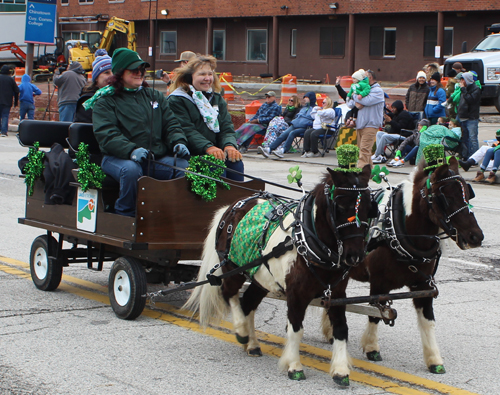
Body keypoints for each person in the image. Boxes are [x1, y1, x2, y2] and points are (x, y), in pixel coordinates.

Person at [88, 48, 189, 217]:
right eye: (134, 70)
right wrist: (131, 150)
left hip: (153, 158)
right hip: (117, 158)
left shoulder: (154, 95)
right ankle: (125, 214)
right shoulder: (105, 101)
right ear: (120, 72)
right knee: (132, 170)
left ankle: (172, 213)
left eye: (142, 69)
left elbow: (171, 124)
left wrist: (178, 141)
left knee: (183, 167)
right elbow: (107, 134)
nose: (139, 73)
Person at [167, 54, 243, 181]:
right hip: (191, 153)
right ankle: (217, 201)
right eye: (202, 74)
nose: (207, 78)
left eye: (210, 74)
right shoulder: (177, 100)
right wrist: (208, 147)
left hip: (215, 151)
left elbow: (226, 128)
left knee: (235, 163)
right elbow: (187, 130)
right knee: (215, 166)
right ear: (190, 77)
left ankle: (238, 200)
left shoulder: (216, 98)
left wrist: (229, 145)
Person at [259, 91, 316, 158]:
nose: (304, 99)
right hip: (295, 125)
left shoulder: (314, 108)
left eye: (306, 97)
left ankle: (283, 150)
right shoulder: (303, 108)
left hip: (305, 127)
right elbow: (298, 116)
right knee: (283, 134)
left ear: (311, 98)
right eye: (304, 97)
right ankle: (269, 149)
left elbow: (313, 119)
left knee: (292, 133)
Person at [346, 69, 385, 168]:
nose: (362, 78)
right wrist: (356, 100)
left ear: (370, 77)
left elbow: (366, 101)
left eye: (364, 76)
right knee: (362, 149)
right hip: (360, 123)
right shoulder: (361, 88)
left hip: (371, 124)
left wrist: (355, 96)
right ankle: (370, 170)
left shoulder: (377, 91)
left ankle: (361, 171)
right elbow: (349, 103)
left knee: (364, 149)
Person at [75, 50, 113, 123]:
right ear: (96, 78)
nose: (112, 76)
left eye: (113, 72)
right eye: (106, 72)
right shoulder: (89, 101)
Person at [372, 99, 415, 164]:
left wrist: (390, 121)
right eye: (392, 108)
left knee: (384, 136)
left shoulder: (404, 115)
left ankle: (377, 154)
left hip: (403, 135)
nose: (393, 110)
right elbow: (390, 114)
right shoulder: (396, 114)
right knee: (379, 133)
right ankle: (381, 155)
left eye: (394, 108)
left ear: (398, 108)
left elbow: (400, 127)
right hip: (395, 134)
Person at [457, 72, 481, 160]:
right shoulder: (463, 89)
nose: (461, 81)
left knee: (472, 138)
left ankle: (474, 158)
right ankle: (466, 156)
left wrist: (463, 90)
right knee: (465, 138)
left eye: (463, 79)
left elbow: (470, 100)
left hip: (472, 117)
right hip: (463, 116)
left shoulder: (476, 89)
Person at [0, 65, 19, 137]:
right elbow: (16, 90)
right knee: (5, 116)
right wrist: (16, 102)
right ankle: (4, 132)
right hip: (7, 101)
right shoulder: (11, 79)